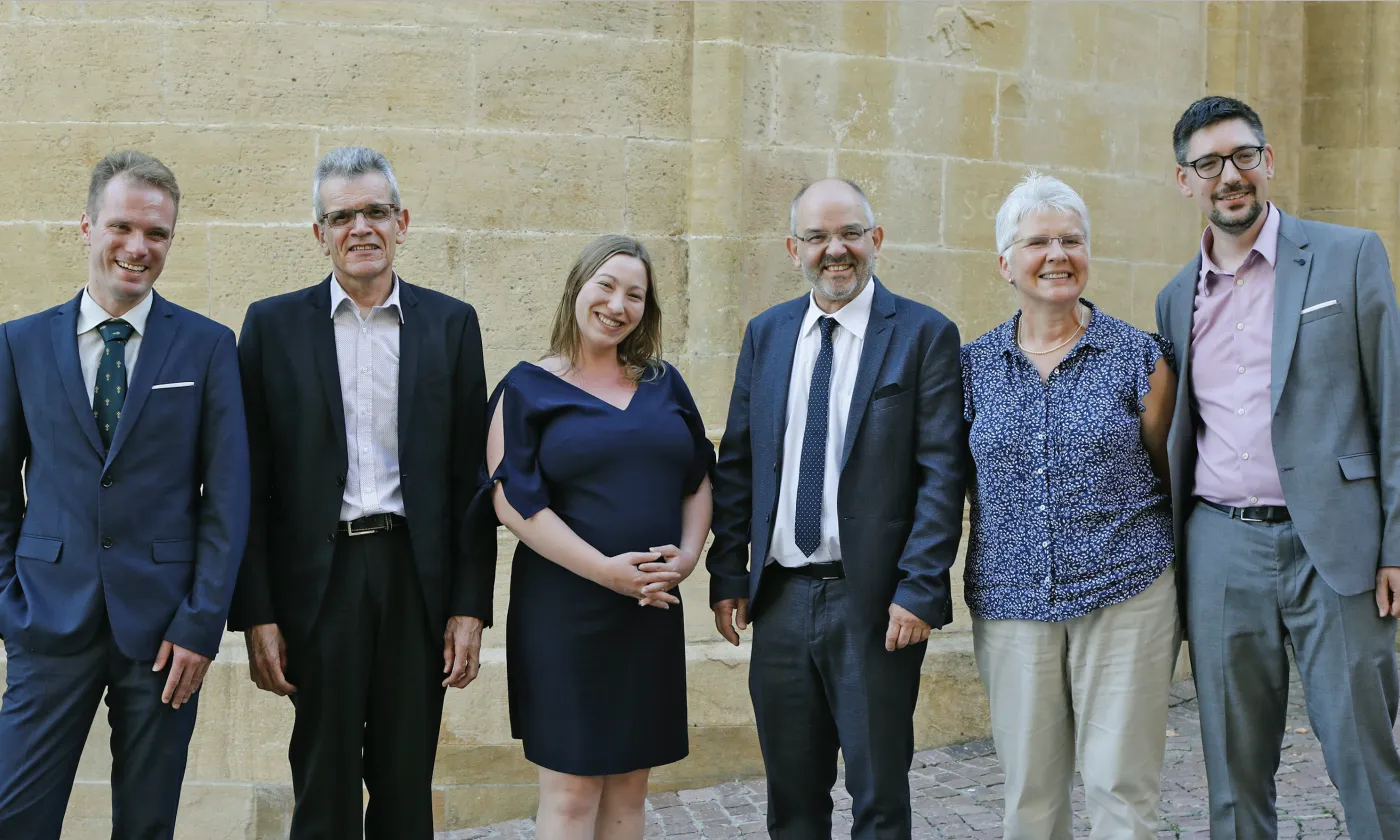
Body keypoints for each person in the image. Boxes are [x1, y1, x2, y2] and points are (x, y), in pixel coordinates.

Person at [226, 146, 493, 839]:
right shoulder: (271, 327)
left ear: (402, 221)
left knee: (407, 784)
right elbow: (247, 481)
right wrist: (257, 612)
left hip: (416, 578)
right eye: (341, 216)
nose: (361, 227)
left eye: (376, 211)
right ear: (320, 234)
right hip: (320, 582)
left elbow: (472, 478)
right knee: (325, 782)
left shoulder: (451, 324)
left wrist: (469, 606)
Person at [1156, 95, 1400, 838]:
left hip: (1339, 544)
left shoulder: (1349, 255)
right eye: (1209, 164)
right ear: (1184, 180)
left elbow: (1393, 405)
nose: (1229, 175)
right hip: (1221, 547)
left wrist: (1397, 543)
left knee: (1365, 755)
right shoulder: (1174, 298)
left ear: (1269, 162)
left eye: (1242, 156)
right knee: (1232, 770)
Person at [0, 151, 250, 838]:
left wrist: (201, 621)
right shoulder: (18, 345)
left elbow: (227, 497)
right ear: (86, 227)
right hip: (47, 620)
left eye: (158, 234)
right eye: (122, 227)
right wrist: (9, 601)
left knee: (146, 824)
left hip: (167, 634)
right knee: (16, 817)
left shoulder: (205, 346)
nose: (138, 248)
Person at [706, 179, 966, 839]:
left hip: (875, 604)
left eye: (850, 233)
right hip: (782, 602)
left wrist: (919, 587)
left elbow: (942, 472)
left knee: (879, 796)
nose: (835, 251)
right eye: (818, 237)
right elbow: (738, 462)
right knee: (793, 803)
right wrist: (728, 575)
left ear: (876, 240)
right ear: (795, 248)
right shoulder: (766, 335)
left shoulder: (923, 334)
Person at [961, 173, 1179, 840]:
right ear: (1006, 263)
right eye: (1038, 242)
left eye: (1071, 240)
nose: (1057, 254)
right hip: (1011, 601)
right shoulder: (972, 367)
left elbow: (1170, 471)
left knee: (1120, 782)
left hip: (1126, 592)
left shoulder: (1140, 357)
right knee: (1030, 793)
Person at [481, 234, 713, 839]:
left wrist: (688, 557)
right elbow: (513, 502)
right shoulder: (525, 388)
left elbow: (698, 480)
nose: (618, 304)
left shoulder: (665, 383)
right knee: (572, 794)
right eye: (606, 286)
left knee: (630, 793)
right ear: (577, 290)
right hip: (565, 615)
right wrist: (604, 570)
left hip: (648, 609)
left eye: (635, 294)